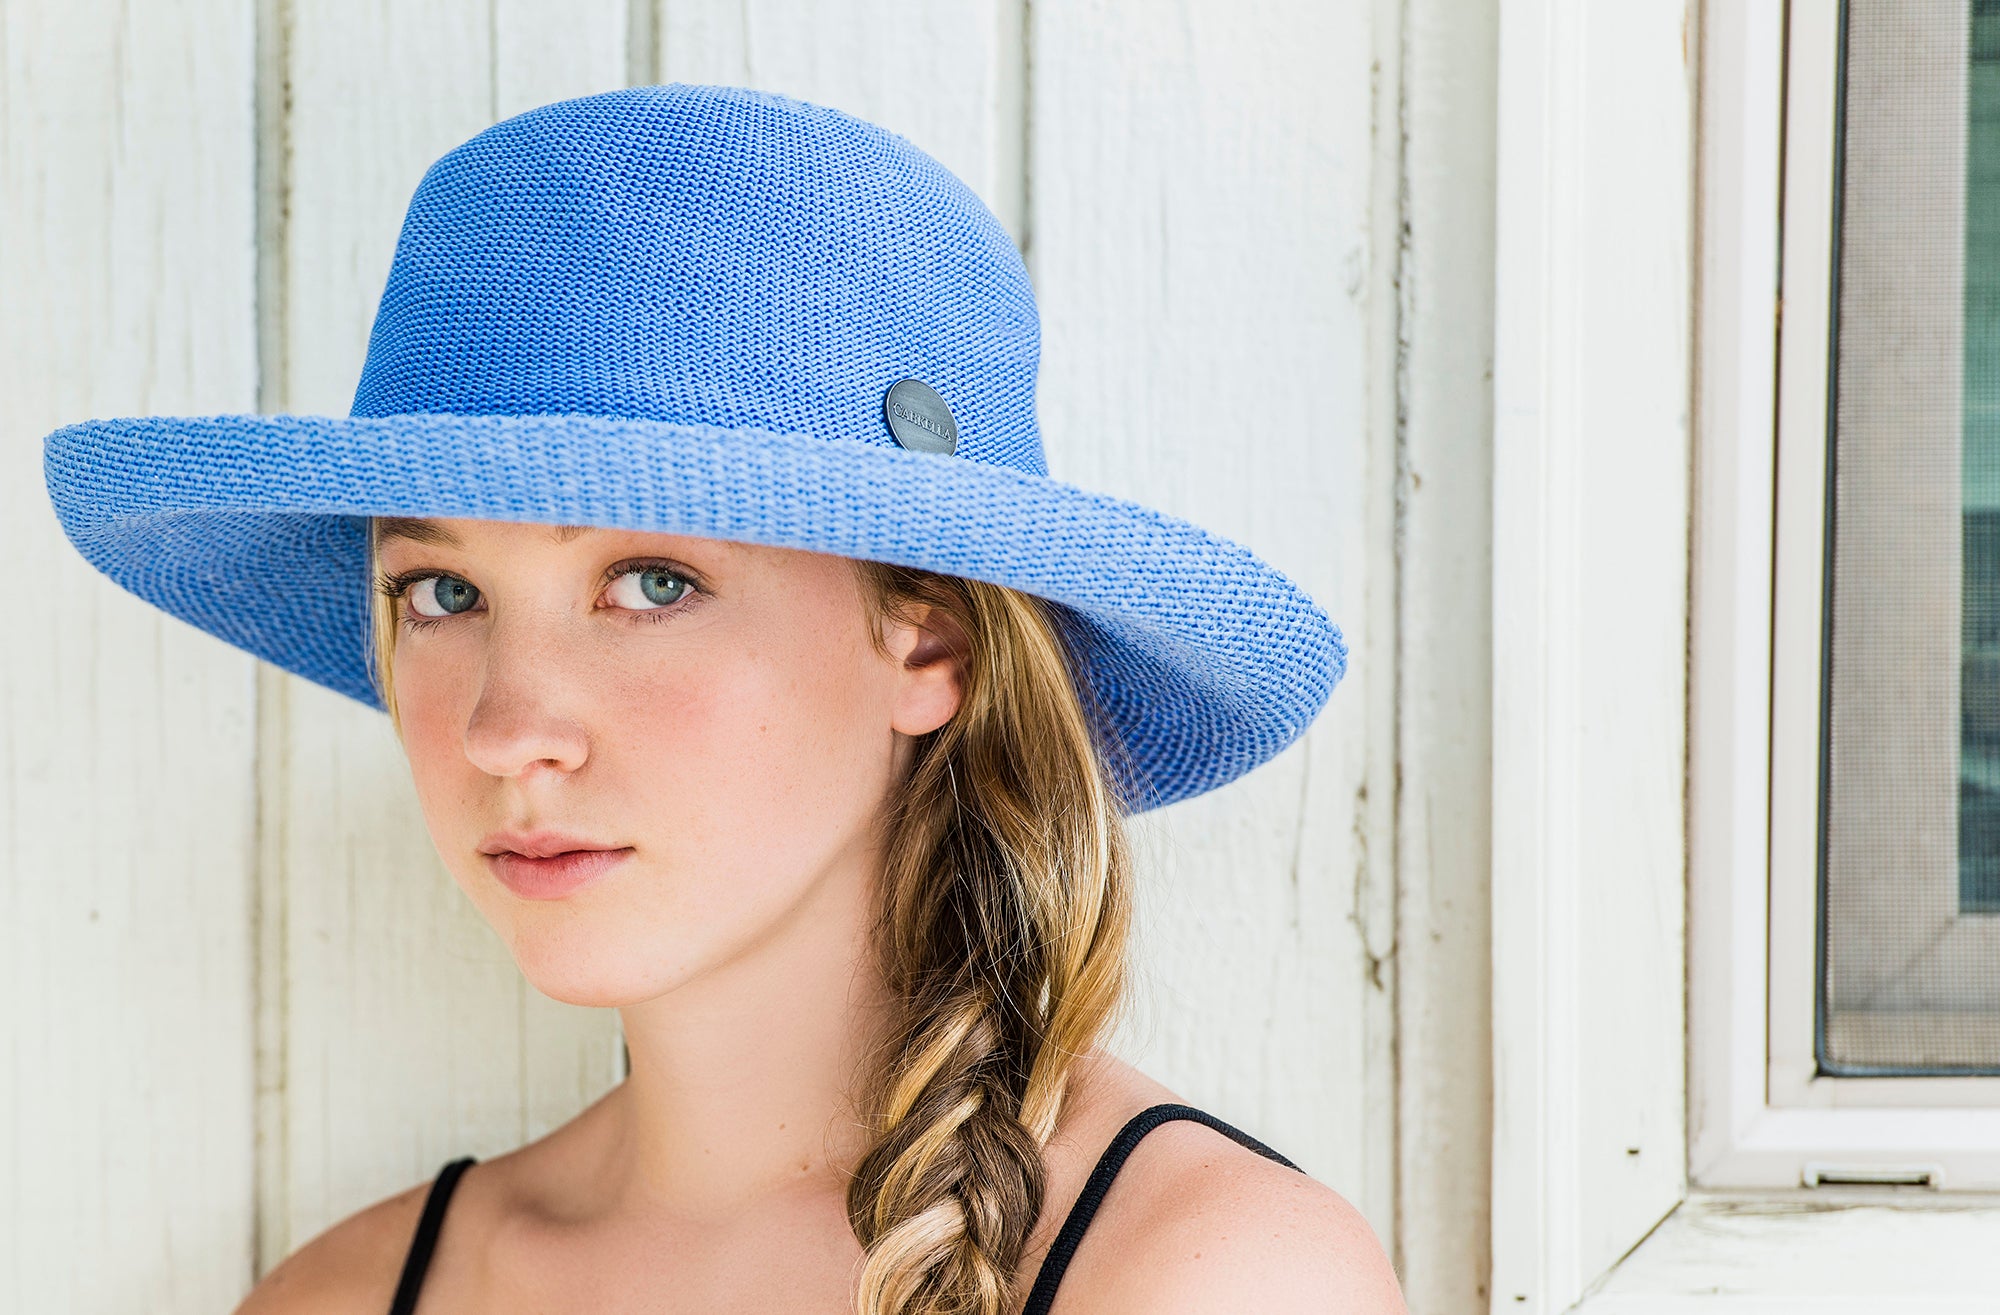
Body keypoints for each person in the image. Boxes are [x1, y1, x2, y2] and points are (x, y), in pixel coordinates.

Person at [41, 83, 1403, 1314]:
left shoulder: (1206, 1278)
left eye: (651, 582)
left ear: (930, 646)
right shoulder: (341, 1300)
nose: (506, 729)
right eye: (442, 594)